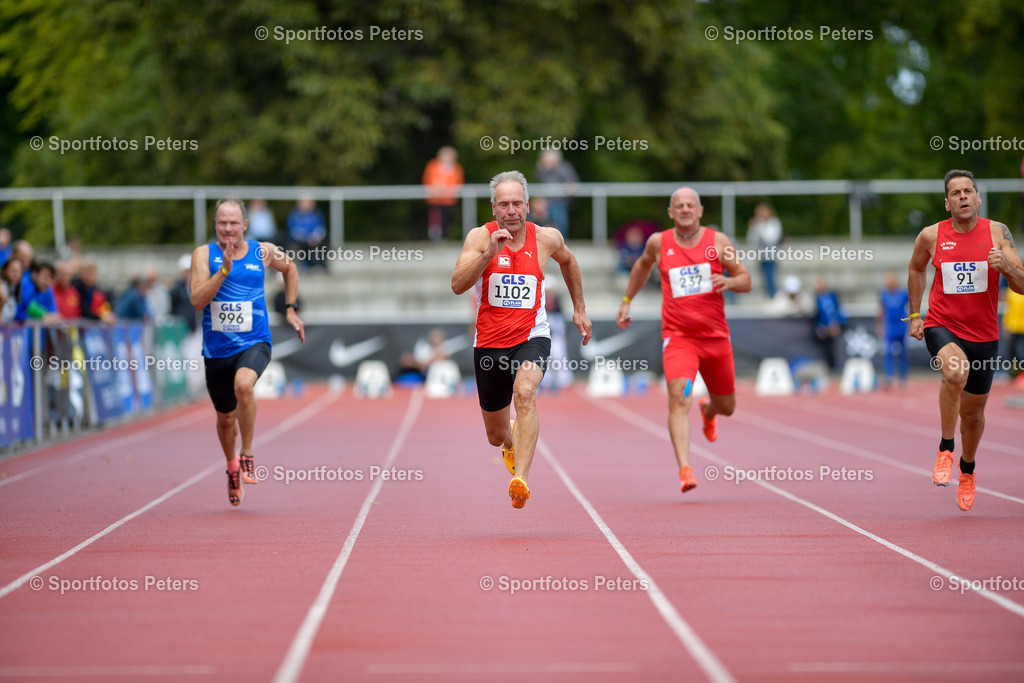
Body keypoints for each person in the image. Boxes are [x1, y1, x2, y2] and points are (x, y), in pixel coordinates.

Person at [451, 171, 591, 509]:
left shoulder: (546, 238)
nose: (511, 210)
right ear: (494, 208)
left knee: (525, 393)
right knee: (496, 436)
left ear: (527, 206)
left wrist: (580, 309)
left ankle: (521, 480)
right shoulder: (478, 238)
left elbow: (569, 261)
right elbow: (457, 284)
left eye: (517, 203)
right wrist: (487, 256)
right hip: (488, 344)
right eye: (503, 204)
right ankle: (512, 441)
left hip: (531, 336)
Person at [616, 187, 751, 493]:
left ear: (700, 211)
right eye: (679, 206)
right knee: (678, 398)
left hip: (715, 338)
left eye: (691, 205)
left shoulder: (718, 242)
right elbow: (641, 266)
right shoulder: (658, 243)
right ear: (671, 212)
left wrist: (729, 281)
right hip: (678, 338)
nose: (686, 210)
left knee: (727, 406)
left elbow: (746, 279)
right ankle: (685, 469)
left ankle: (709, 411)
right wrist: (627, 300)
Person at [908, 169, 1024, 512]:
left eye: (967, 191)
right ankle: (946, 448)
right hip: (942, 324)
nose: (962, 196)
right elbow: (915, 268)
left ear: (977, 198)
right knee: (955, 373)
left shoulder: (998, 232)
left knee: (973, 415)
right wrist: (916, 315)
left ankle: (967, 470)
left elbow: (1022, 284)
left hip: (984, 334)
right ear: (947, 203)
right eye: (955, 192)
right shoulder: (930, 236)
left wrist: (1005, 266)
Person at [191, 198, 304, 507]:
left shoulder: (262, 251)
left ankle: (248, 453)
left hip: (255, 341)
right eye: (222, 223)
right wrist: (222, 272)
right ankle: (232, 468)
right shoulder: (204, 255)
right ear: (216, 225)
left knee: (244, 386)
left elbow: (290, 268)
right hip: (216, 351)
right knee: (225, 419)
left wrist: (291, 309)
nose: (228, 229)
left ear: (245, 225)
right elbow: (198, 301)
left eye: (233, 223)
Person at [422, 146, 464, 241]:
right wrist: (436, 189)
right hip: (435, 198)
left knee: (447, 219)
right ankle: (434, 237)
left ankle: (445, 237)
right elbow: (427, 179)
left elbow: (458, 182)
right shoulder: (433, 165)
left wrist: (448, 191)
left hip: (449, 200)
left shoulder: (456, 168)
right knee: (434, 218)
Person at [877, 271, 910, 389]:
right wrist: (880, 326)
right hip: (890, 327)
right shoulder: (884, 294)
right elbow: (881, 310)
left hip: (901, 327)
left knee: (903, 353)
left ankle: (902, 378)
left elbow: (910, 307)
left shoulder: (903, 294)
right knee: (888, 353)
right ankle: (889, 377)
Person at [535, 150, 578, 238]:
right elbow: (538, 181)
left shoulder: (564, 168)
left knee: (560, 224)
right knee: (544, 225)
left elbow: (572, 182)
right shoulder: (542, 169)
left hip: (560, 202)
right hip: (545, 203)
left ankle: (562, 244)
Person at [748, 202, 783, 299]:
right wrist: (753, 229)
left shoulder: (774, 223)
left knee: (771, 277)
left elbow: (771, 239)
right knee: (763, 279)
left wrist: (760, 228)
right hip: (760, 256)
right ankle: (767, 297)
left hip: (771, 256)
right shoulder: (756, 224)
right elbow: (751, 240)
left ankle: (773, 296)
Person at [812, 275, 846, 371]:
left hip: (835, 326)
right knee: (826, 349)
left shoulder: (832, 296)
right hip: (824, 328)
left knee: (838, 347)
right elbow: (817, 315)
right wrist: (819, 327)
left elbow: (838, 310)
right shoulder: (817, 298)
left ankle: (838, 367)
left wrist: (838, 323)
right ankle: (829, 368)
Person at [287, 197, 327, 270]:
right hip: (300, 240)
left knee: (324, 242)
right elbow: (294, 231)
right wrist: (306, 237)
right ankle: (305, 265)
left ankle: (320, 265)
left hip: (314, 240)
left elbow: (321, 228)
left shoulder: (317, 215)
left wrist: (315, 237)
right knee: (302, 245)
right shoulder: (295, 215)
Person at [1004, 288, 1024, 387]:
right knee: (1012, 351)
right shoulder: (1010, 290)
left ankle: (1021, 374)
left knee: (1021, 352)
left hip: (1022, 326)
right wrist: (1006, 324)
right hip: (1013, 326)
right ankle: (1015, 374)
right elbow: (1009, 308)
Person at [1, 258, 23, 323]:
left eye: (18, 272)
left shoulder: (14, 289)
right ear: (4, 271)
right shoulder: (1, 287)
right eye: (12, 271)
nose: (16, 275)